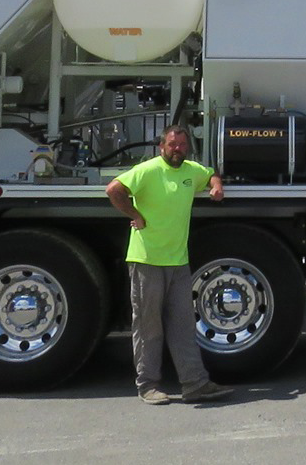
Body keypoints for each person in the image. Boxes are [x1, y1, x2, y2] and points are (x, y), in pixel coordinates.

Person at [106, 124, 231, 405]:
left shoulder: (190, 170)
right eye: (173, 145)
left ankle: (195, 384)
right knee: (149, 326)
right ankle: (148, 385)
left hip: (178, 262)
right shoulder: (147, 170)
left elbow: (211, 174)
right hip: (146, 261)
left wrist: (217, 185)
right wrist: (134, 213)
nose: (178, 150)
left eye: (182, 145)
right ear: (161, 146)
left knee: (183, 326)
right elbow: (113, 190)